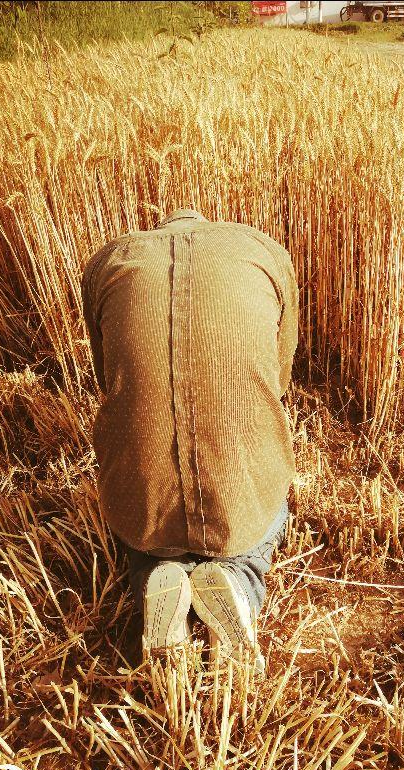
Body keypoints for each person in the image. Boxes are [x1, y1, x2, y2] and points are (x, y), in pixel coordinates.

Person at [81, 208, 299, 672]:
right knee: (268, 506)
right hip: (235, 500)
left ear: (158, 228)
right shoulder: (265, 251)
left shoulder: (109, 262)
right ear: (212, 225)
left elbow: (108, 377)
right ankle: (237, 581)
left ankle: (156, 579)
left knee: (142, 534)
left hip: (145, 498)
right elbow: (279, 377)